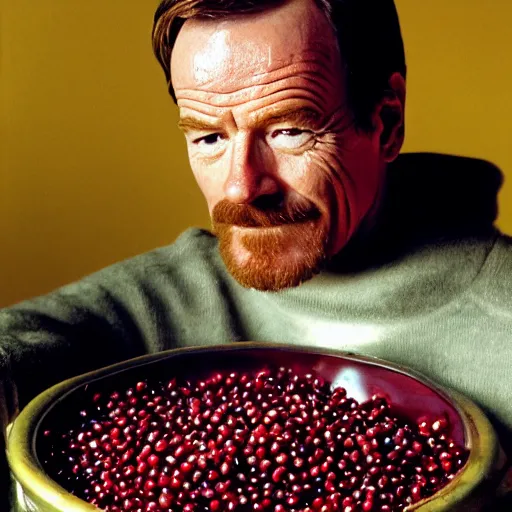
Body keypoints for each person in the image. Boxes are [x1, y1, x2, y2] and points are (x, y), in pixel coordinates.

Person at [1, 0, 511, 508]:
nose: (241, 187)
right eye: (209, 137)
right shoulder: (180, 288)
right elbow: (46, 332)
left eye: (289, 130)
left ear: (387, 122)